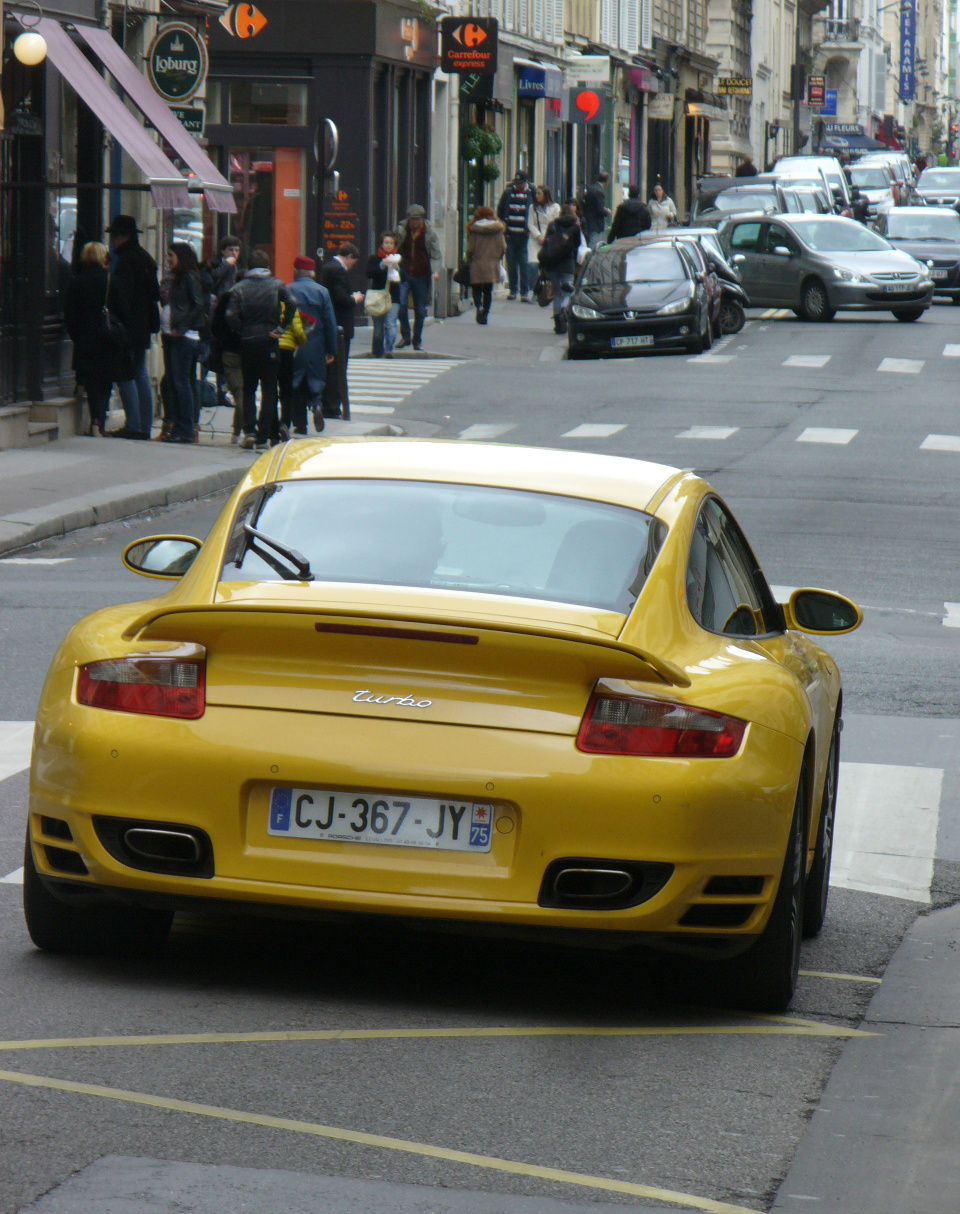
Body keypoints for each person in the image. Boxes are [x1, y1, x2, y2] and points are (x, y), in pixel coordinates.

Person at [225, 249, 296, 450]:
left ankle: (248, 432)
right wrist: (281, 328)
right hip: (269, 340)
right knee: (269, 390)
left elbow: (230, 315)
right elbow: (291, 303)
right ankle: (263, 436)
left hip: (248, 342)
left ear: (248, 267)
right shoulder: (276, 284)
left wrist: (243, 330)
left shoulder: (240, 287)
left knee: (249, 388)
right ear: (267, 266)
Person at [63, 242, 130, 437]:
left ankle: (96, 420)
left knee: (91, 381)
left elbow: (70, 315)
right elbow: (124, 312)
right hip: (108, 340)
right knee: (105, 382)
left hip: (86, 341)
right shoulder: (111, 280)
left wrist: (77, 336)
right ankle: (101, 420)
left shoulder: (77, 281)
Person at [106, 214, 160, 439]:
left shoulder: (126, 261)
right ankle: (144, 426)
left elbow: (122, 297)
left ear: (124, 236)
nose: (112, 241)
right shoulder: (146, 258)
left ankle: (134, 426)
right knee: (140, 374)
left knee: (125, 374)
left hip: (128, 327)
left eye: (115, 236)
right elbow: (154, 294)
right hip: (144, 327)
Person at [285, 255, 338, 434]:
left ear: (295, 271)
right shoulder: (322, 292)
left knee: (296, 382)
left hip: (294, 344)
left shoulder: (287, 290)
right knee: (315, 379)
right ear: (312, 273)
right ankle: (316, 404)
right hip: (316, 344)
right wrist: (331, 349)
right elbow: (330, 322)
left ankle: (300, 424)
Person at [162, 243, 205, 445]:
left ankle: (186, 428)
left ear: (181, 256)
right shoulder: (178, 277)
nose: (168, 259)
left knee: (181, 383)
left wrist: (182, 328)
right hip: (171, 335)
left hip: (184, 337)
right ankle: (180, 426)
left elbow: (198, 306)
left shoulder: (189, 276)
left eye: (171, 256)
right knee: (174, 382)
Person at [320, 242, 364, 419]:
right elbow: (340, 297)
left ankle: (327, 404)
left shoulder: (326, 267)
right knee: (338, 368)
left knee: (330, 366)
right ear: (349, 257)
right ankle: (333, 406)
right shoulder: (338, 270)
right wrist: (354, 299)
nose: (351, 267)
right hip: (340, 325)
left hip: (330, 323)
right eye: (353, 263)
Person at [394, 205, 441, 350]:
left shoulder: (429, 233)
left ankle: (417, 340)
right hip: (404, 273)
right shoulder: (401, 230)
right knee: (400, 306)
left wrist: (435, 271)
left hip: (422, 275)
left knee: (420, 310)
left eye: (417, 220)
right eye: (411, 220)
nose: (414, 223)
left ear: (422, 219)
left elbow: (436, 254)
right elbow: (394, 247)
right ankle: (406, 336)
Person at [537, 203, 582, 334]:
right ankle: (564, 310)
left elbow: (547, 243)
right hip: (567, 263)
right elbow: (577, 245)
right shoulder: (575, 226)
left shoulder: (552, 224)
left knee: (557, 293)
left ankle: (558, 322)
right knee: (568, 292)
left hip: (553, 264)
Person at [497, 170, 536, 301]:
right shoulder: (508, 192)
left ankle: (524, 291)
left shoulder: (531, 193)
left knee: (524, 263)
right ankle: (513, 290)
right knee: (512, 263)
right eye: (516, 183)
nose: (518, 186)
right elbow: (500, 210)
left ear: (526, 182)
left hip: (524, 236)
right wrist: (504, 227)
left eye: (520, 183)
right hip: (510, 234)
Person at [465, 206, 507, 325]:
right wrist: (497, 257)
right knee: (488, 290)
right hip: (492, 263)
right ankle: (485, 314)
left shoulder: (474, 229)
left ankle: (478, 307)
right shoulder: (497, 229)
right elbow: (503, 247)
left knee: (476, 287)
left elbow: (470, 249)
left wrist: (469, 257)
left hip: (477, 262)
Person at [366, 234, 403, 358]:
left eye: (390, 243)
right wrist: (382, 265)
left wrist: (397, 269)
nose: (388, 245)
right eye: (385, 242)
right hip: (377, 296)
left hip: (393, 296)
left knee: (390, 323)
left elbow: (405, 278)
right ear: (381, 244)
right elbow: (369, 273)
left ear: (394, 245)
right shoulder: (374, 258)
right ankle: (377, 351)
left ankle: (389, 349)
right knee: (378, 327)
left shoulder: (398, 259)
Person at [527, 185, 560, 288]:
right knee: (533, 265)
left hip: (549, 239)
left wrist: (546, 238)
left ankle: (545, 289)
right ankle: (534, 289)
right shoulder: (533, 208)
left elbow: (556, 223)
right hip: (535, 239)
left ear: (545, 195)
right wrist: (538, 236)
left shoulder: (555, 207)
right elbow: (530, 224)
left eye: (539, 193)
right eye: (536, 193)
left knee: (546, 267)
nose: (536, 196)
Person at [582, 171, 611, 247]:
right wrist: (607, 212)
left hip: (588, 220)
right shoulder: (599, 191)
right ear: (606, 181)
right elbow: (600, 209)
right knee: (593, 244)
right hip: (595, 223)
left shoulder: (591, 188)